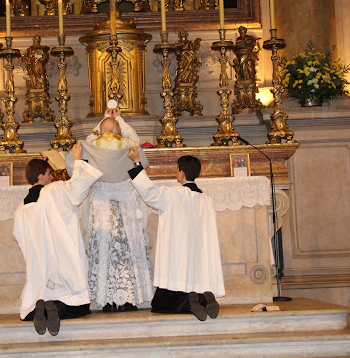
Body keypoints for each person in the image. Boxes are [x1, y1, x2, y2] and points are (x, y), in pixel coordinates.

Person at [13, 143, 103, 336]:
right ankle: (52, 307)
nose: (52, 177)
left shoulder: (21, 208)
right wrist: (78, 159)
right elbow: (78, 188)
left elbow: (19, 237)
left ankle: (40, 307)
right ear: (40, 177)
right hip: (62, 265)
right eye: (49, 174)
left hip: (39, 270)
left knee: (29, 310)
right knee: (78, 305)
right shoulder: (54, 191)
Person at [69, 107, 153, 312]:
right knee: (128, 249)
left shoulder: (92, 145)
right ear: (119, 131)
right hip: (126, 203)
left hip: (102, 206)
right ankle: (130, 298)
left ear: (99, 130)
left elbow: (75, 164)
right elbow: (138, 152)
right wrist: (119, 119)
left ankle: (107, 299)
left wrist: (105, 119)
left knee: (105, 250)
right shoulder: (128, 144)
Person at [126, 150, 225, 321]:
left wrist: (137, 163)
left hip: (178, 256)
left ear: (181, 172)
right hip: (198, 258)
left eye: (177, 169)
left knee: (162, 303)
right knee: (194, 284)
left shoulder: (172, 194)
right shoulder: (206, 199)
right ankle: (203, 298)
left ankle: (189, 303)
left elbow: (149, 193)